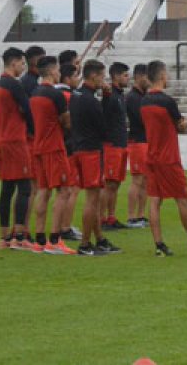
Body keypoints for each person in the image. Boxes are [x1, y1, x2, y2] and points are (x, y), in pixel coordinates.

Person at [140, 60, 187, 257]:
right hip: (169, 158)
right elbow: (179, 125)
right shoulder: (167, 101)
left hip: (152, 156)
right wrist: (183, 125)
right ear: (162, 76)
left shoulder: (143, 101)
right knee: (182, 200)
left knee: (155, 201)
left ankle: (159, 245)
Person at [69, 59, 122, 256]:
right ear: (93, 76)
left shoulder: (76, 95)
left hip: (79, 148)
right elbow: (103, 128)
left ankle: (99, 239)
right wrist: (107, 99)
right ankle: (84, 244)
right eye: (102, 76)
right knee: (92, 199)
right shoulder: (91, 100)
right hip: (91, 151)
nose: (104, 80)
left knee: (96, 197)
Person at [28, 56, 76, 254]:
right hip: (54, 148)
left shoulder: (34, 93)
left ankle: (40, 240)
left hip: (38, 147)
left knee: (44, 191)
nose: (59, 74)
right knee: (64, 191)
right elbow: (67, 123)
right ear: (50, 71)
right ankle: (55, 240)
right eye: (57, 70)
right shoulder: (55, 95)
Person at [0, 47, 34, 250]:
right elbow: (28, 110)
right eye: (21, 63)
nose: (22, 67)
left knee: (7, 189)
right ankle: (19, 236)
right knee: (25, 188)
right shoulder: (14, 85)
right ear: (14, 63)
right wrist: (34, 131)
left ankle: (4, 238)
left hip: (2, 140)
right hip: (16, 141)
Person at [21, 45, 45, 246]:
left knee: (31, 188)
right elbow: (29, 113)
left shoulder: (29, 81)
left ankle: (21, 229)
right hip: (31, 138)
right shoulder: (29, 83)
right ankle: (24, 230)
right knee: (32, 188)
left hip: (31, 137)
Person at [55, 63, 82, 242]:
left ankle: (62, 226)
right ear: (67, 78)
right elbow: (70, 123)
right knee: (72, 188)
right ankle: (65, 227)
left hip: (61, 145)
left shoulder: (56, 93)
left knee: (65, 189)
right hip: (69, 146)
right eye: (75, 76)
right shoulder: (67, 96)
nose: (77, 80)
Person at [100, 62, 130, 230]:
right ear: (116, 76)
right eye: (125, 75)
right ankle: (101, 218)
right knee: (108, 183)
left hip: (121, 144)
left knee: (116, 183)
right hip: (111, 145)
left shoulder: (119, 95)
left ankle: (111, 217)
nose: (128, 78)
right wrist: (105, 92)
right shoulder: (110, 95)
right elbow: (103, 106)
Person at [125, 63, 150, 228]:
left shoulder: (142, 96)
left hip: (145, 141)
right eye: (147, 78)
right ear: (140, 77)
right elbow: (141, 119)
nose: (149, 81)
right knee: (137, 179)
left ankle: (141, 215)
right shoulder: (133, 97)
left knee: (146, 180)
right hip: (137, 142)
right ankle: (131, 216)